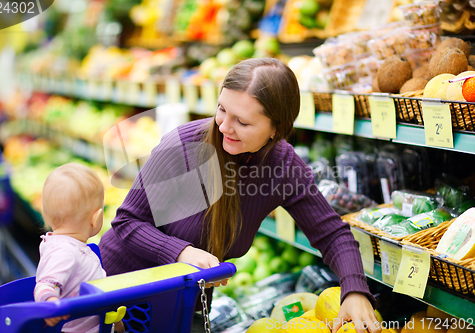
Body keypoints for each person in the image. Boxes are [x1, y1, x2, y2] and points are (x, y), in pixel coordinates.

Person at [99, 58, 379, 333]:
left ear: (275, 130)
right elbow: (127, 221)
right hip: (118, 298)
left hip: (180, 308)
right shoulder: (184, 145)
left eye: (242, 122)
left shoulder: (282, 167)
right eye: (222, 109)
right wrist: (180, 252)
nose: (223, 127)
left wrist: (354, 289)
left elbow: (332, 234)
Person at [34, 163, 125, 333]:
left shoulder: (72, 247)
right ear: (96, 218)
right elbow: (45, 284)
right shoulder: (64, 252)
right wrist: (50, 303)